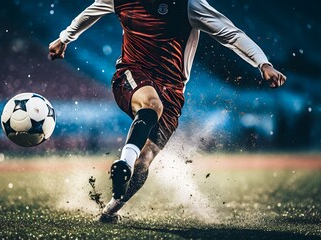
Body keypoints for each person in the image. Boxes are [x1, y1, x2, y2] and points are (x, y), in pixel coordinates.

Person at [49, 0, 286, 223]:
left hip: (173, 91)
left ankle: (110, 209)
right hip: (132, 73)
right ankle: (124, 163)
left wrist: (262, 63)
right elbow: (92, 11)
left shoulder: (188, 5)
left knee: (145, 159)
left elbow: (230, 34)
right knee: (152, 105)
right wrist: (65, 38)